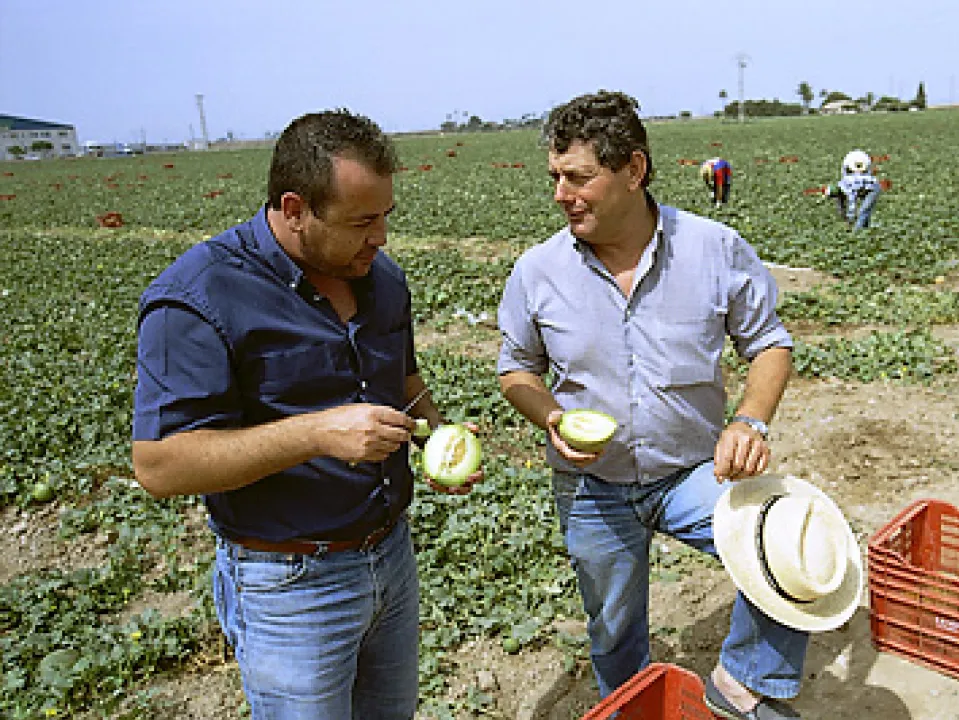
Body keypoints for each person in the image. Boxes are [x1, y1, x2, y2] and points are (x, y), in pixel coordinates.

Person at [132, 108, 481, 720]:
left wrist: (436, 433)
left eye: (386, 216)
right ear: (295, 210)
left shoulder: (381, 278)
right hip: (290, 587)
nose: (381, 237)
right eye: (362, 221)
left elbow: (403, 378)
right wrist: (316, 433)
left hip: (391, 559)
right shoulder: (199, 296)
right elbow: (161, 465)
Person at [497, 90, 807, 719]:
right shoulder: (538, 270)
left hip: (694, 471)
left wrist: (749, 421)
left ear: (633, 170)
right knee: (613, 630)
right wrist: (551, 417)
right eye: (555, 177)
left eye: (578, 177)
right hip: (594, 484)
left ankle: (743, 684)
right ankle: (634, 706)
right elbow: (516, 369)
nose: (560, 194)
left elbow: (769, 344)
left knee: (785, 542)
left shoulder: (714, 248)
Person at [824, 149, 882, 230]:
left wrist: (850, 217)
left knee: (864, 209)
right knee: (865, 210)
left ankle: (857, 230)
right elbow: (841, 205)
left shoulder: (846, 187)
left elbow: (852, 201)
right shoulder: (842, 189)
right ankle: (865, 227)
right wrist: (845, 216)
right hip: (863, 187)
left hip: (873, 188)